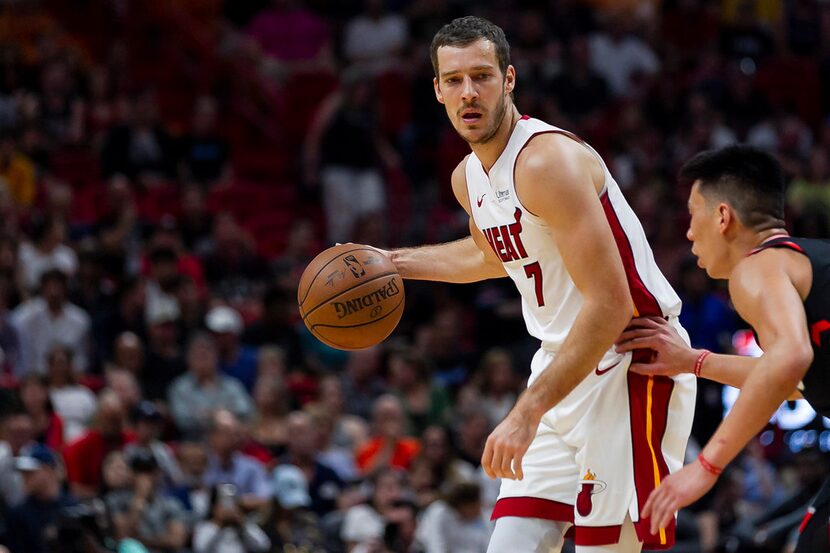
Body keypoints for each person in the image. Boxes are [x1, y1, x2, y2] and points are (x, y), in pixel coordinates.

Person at [373, 16, 696, 552]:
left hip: (629, 361)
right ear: (437, 90)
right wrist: (394, 262)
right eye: (453, 80)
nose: (468, 92)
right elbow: (492, 253)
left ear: (509, 80)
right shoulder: (468, 177)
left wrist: (526, 411)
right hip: (562, 363)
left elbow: (612, 304)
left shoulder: (547, 161)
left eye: (481, 76)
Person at [614, 144, 830, 552]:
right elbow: (791, 381)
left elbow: (790, 359)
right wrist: (691, 361)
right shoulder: (801, 263)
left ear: (723, 216)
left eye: (693, 215)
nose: (689, 232)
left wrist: (707, 466)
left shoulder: (756, 267)